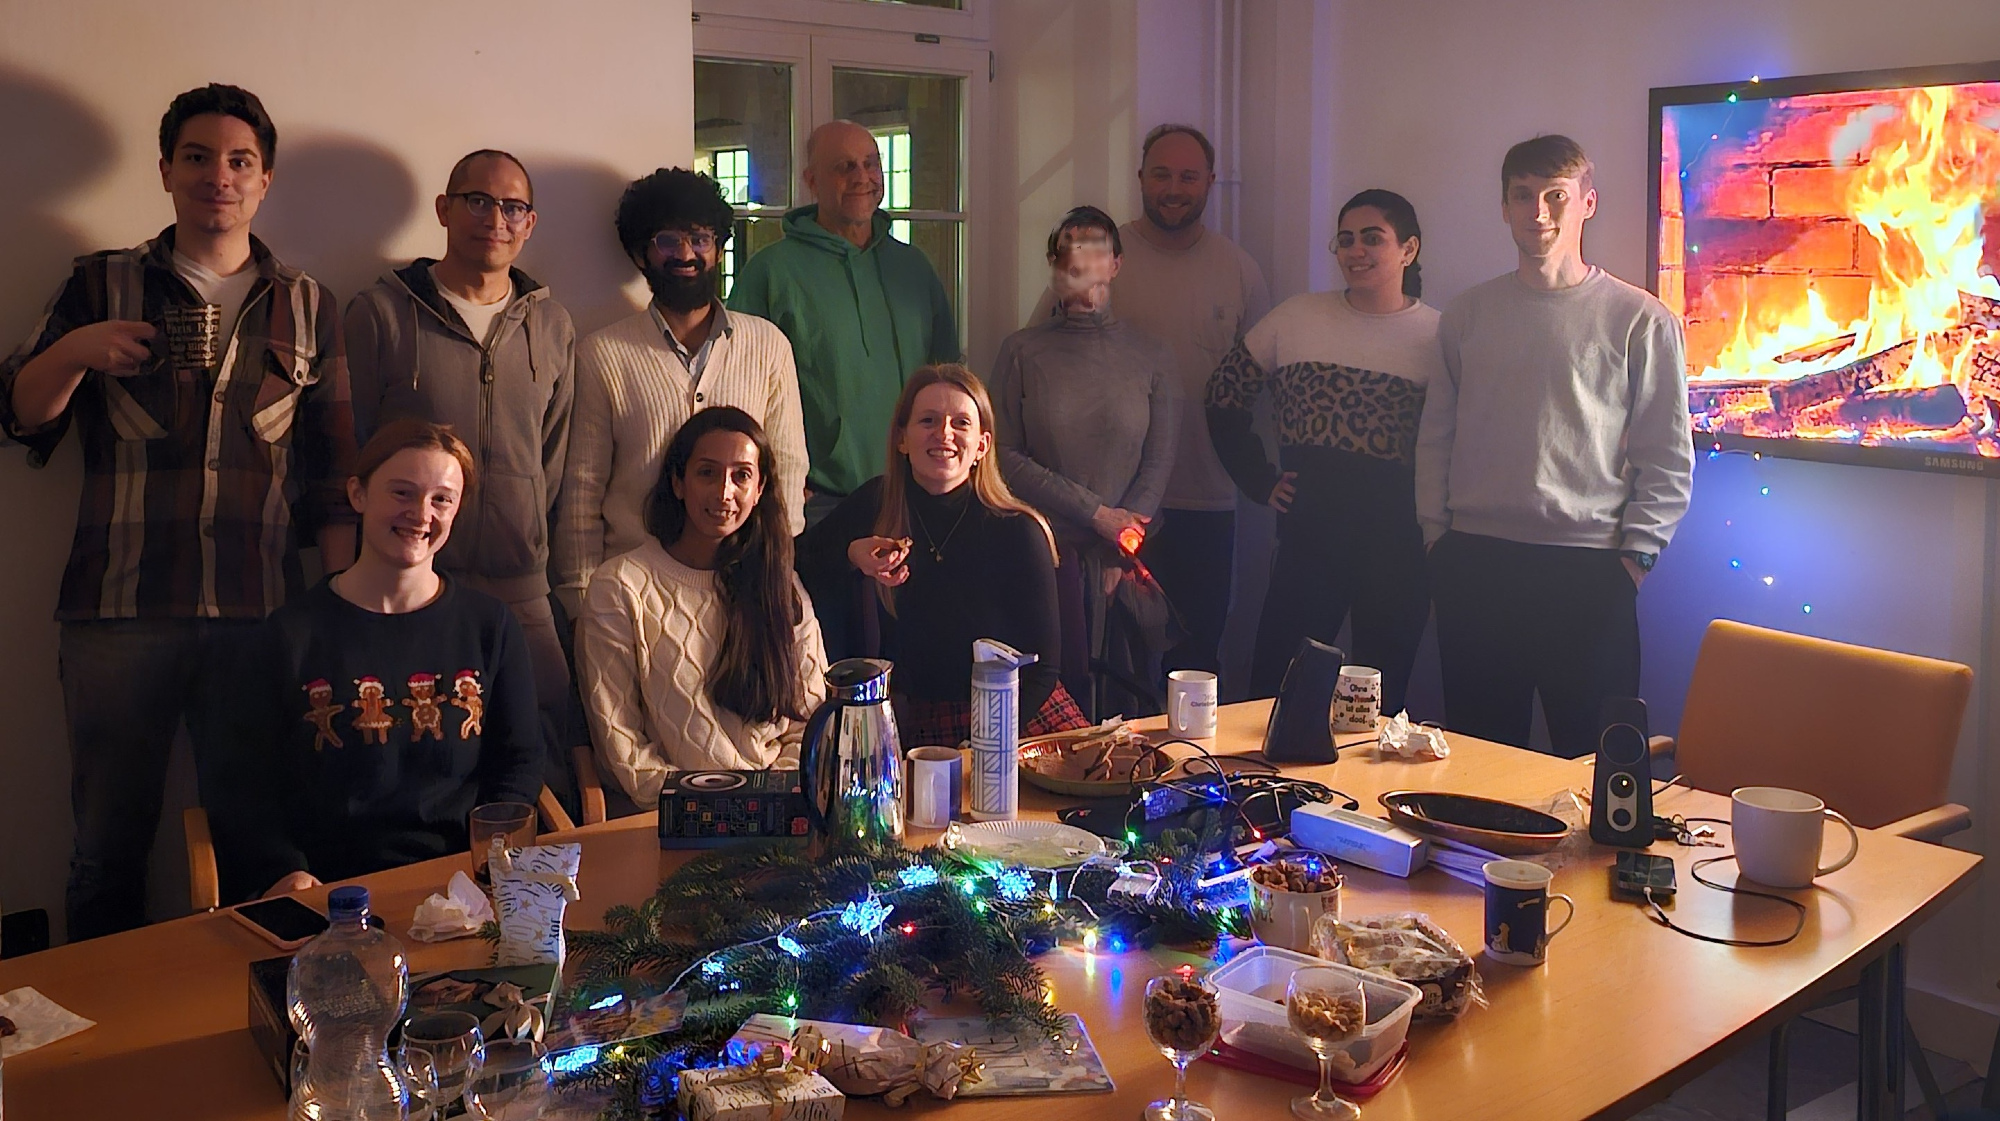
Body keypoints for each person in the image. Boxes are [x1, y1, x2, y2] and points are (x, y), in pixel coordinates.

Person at [0, 84, 358, 940]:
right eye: (197, 157)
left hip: (258, 613)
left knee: (258, 838)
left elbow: (334, 473)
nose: (217, 176)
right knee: (107, 846)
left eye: (239, 161)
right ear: (166, 170)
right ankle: (104, 1015)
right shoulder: (102, 281)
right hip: (119, 610)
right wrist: (77, 350)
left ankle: (255, 999)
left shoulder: (308, 304)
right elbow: (21, 415)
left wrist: (342, 616)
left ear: (265, 179)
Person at [1415, 135, 1694, 758]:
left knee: (1598, 767)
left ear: (1587, 203)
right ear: (1504, 207)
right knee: (1480, 767)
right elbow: (1436, 435)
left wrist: (1636, 559)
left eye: (1556, 196)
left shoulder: (1641, 319)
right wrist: (1437, 539)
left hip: (1591, 571)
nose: (1538, 212)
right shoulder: (1466, 315)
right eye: (1523, 196)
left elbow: (1668, 455)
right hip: (1477, 565)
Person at [202, 419, 542, 904]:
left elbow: (520, 759)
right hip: (331, 895)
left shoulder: (490, 625)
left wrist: (491, 856)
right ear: (358, 494)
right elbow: (241, 784)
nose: (421, 514)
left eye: (441, 499)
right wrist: (283, 871)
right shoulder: (289, 635)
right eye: (402, 492)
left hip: (461, 887)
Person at [344, 149, 576, 795]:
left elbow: (553, 459)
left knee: (545, 753)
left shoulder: (552, 325)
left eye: (513, 207)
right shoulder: (380, 313)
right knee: (412, 753)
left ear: (530, 223)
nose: (495, 219)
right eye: (478, 201)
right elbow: (353, 444)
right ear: (445, 209)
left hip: (521, 583)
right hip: (409, 581)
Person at [1032, 125, 1270, 680]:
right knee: (1108, 667)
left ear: (1211, 181)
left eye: (1188, 176)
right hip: (1105, 508)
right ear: (1140, 178)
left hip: (1203, 500)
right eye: (1161, 174)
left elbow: (1258, 390)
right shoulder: (1098, 255)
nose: (1174, 188)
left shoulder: (1240, 270)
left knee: (1196, 660)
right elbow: (1042, 355)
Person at [1207, 190, 1438, 713]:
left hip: (1400, 542)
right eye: (1346, 239)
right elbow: (1222, 394)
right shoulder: (1298, 318)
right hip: (1310, 535)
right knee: (1278, 689)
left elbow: (1458, 441)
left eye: (1373, 238)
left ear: (1408, 249)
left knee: (1380, 698)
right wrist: (1259, 479)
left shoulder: (1438, 337)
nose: (1356, 251)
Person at [556, 168, 807, 621]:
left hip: (745, 588)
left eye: (700, 238)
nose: (686, 254)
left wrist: (776, 574)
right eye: (668, 241)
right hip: (633, 595)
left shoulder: (769, 346)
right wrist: (582, 601)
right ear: (641, 254)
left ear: (719, 247)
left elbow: (786, 470)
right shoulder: (601, 355)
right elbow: (582, 491)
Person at [797, 364, 1088, 746]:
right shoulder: (877, 502)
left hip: (1019, 710)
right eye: (928, 420)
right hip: (927, 718)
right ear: (902, 438)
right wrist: (852, 555)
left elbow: (1044, 669)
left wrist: (987, 739)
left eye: (961, 423)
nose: (944, 433)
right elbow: (796, 563)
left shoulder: (1018, 529)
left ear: (981, 445)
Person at [576, 407, 828, 810]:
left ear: (759, 489)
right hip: (670, 817)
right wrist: (710, 809)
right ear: (678, 482)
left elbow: (812, 723)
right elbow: (624, 750)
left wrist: (771, 801)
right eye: (707, 473)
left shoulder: (780, 585)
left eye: (741, 476)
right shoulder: (620, 588)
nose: (724, 492)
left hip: (776, 813)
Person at [991, 207, 1178, 717]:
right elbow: (1004, 455)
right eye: (1066, 250)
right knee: (1052, 704)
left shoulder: (1152, 355)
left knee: (1130, 706)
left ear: (1115, 264)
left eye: (1093, 248)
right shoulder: (1022, 352)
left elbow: (1160, 459)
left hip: (1129, 563)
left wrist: (1120, 543)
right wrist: (1097, 517)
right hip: (1046, 559)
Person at [728, 120, 959, 529]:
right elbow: (738, 391)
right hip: (817, 504)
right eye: (845, 166)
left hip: (916, 495)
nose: (862, 177)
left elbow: (949, 377)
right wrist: (774, 478)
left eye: (871, 164)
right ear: (812, 181)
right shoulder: (770, 273)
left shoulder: (913, 268)